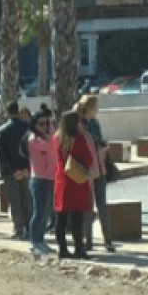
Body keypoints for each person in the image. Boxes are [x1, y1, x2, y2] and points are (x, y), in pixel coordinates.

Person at [74, 95, 114, 252]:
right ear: (89, 108)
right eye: (95, 107)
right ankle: (88, 240)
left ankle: (108, 240)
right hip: (87, 170)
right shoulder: (80, 125)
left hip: (100, 169)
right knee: (88, 207)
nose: (97, 110)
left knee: (101, 205)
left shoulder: (94, 123)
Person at [54, 111, 95, 260]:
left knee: (62, 218)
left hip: (62, 180)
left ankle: (62, 249)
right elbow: (88, 159)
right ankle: (79, 248)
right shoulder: (79, 138)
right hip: (77, 180)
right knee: (78, 217)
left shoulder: (57, 138)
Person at [0, 101, 32, 240]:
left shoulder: (2, 130)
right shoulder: (27, 128)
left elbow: (0, 152)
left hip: (10, 171)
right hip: (25, 168)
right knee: (26, 198)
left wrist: (8, 168)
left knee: (14, 200)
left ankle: (19, 229)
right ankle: (29, 227)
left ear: (7, 112)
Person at [25, 108, 57, 257]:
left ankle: (41, 240)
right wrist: (51, 128)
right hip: (39, 179)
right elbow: (52, 145)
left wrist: (50, 125)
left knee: (45, 213)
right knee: (38, 213)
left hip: (50, 178)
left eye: (47, 123)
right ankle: (34, 242)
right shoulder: (34, 139)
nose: (45, 126)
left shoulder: (47, 136)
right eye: (42, 123)